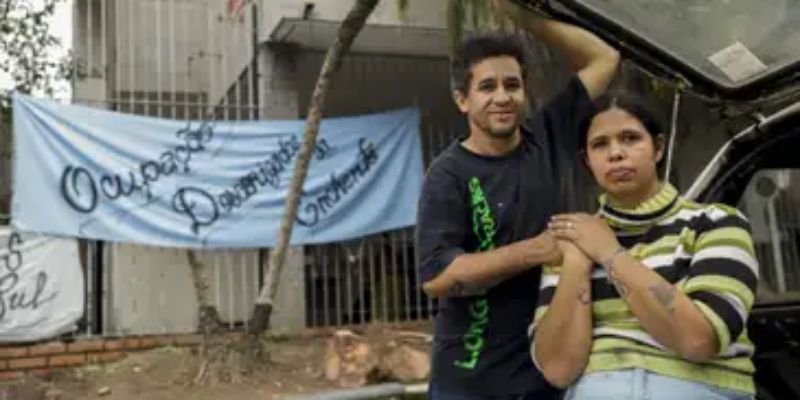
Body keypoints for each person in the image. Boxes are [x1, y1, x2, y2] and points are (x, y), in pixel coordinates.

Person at [414, 1, 620, 398]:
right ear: (463, 100)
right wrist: (537, 250)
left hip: (549, 370)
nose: (502, 97)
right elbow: (437, 277)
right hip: (471, 380)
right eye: (487, 87)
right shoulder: (447, 174)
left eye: (512, 85)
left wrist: (521, 16)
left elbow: (604, 58)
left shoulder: (547, 135)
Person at [537, 94, 758, 400]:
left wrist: (610, 254)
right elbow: (558, 368)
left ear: (658, 148)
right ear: (587, 161)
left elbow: (698, 339)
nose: (616, 153)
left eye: (630, 138)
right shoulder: (574, 239)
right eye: (600, 144)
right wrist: (576, 262)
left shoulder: (716, 223)